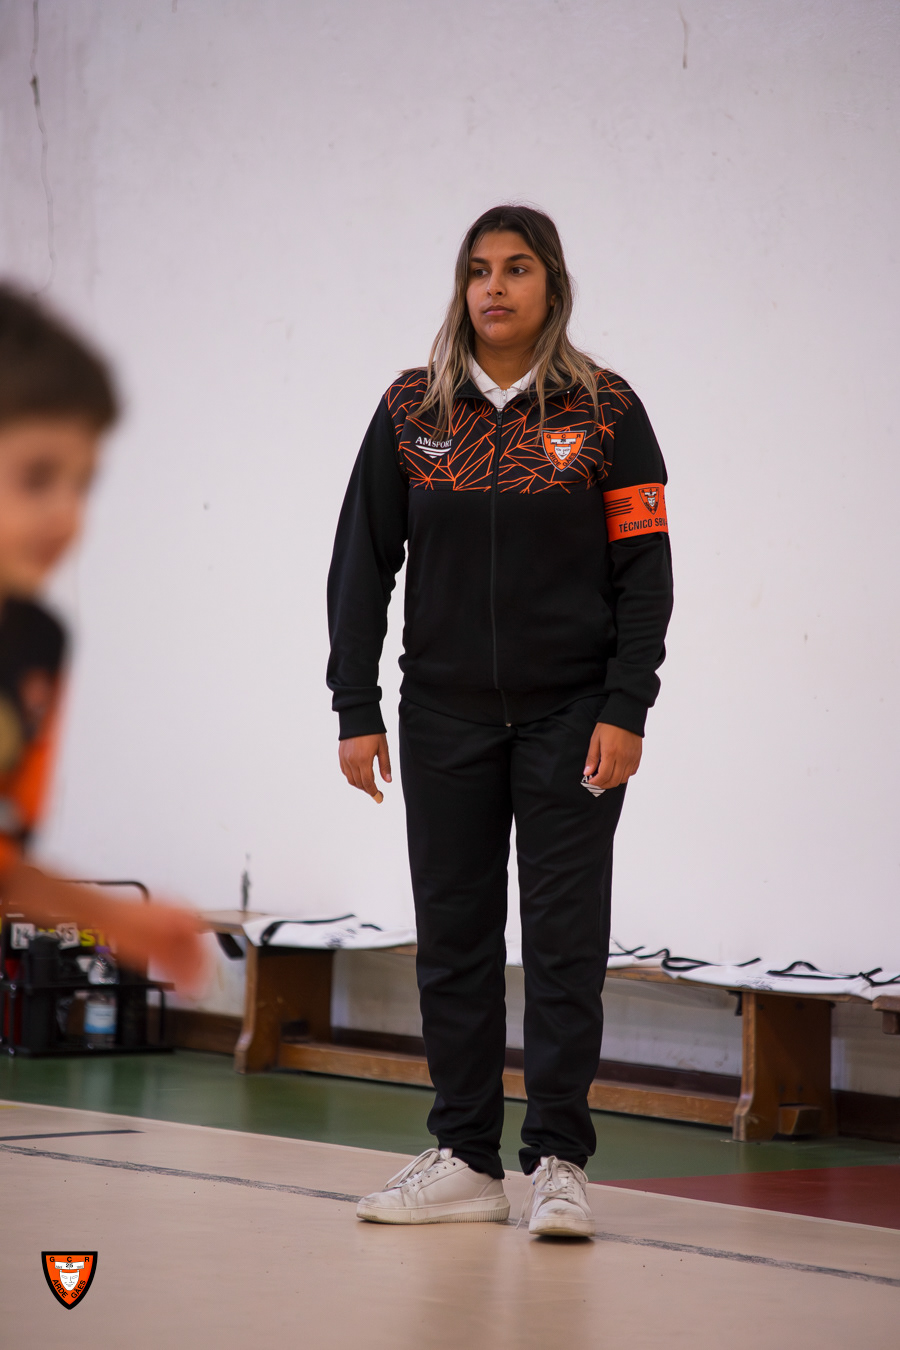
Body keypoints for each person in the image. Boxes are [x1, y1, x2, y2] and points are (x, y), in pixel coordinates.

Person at [327, 205, 673, 1236]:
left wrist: (627, 705)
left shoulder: (607, 410)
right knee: (455, 943)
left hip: (574, 718)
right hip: (442, 718)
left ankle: (560, 1160)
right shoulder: (410, 409)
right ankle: (467, 1161)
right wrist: (355, 706)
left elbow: (646, 574)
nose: (495, 287)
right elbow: (360, 565)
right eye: (479, 269)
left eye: (517, 268)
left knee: (565, 944)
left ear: (551, 283)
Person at [0, 284, 205, 991]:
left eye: (83, 484)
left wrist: (114, 917)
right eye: (37, 478)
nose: (68, 515)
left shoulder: (37, 644)